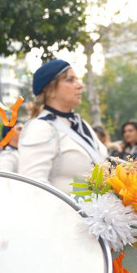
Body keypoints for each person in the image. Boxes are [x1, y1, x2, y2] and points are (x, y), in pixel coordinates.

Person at [18, 59, 107, 193]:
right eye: (70, 80)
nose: (80, 85)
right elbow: (33, 187)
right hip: (66, 207)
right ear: (49, 89)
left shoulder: (81, 124)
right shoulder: (40, 128)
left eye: (77, 80)